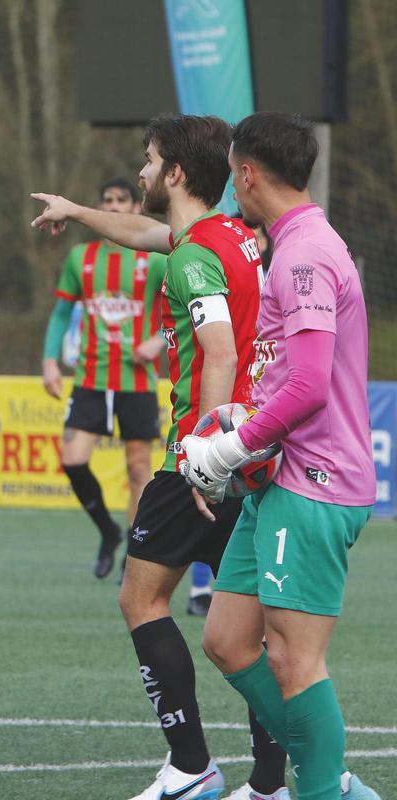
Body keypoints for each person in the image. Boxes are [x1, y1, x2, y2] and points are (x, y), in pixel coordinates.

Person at [31, 113, 289, 800]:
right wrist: (78, 211)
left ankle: (191, 766)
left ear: (174, 173)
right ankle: (269, 785)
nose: (140, 172)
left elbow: (218, 352)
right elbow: (148, 234)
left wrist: (201, 451)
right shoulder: (228, 233)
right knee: (243, 634)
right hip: (252, 453)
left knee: (141, 599)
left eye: (147, 160)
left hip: (201, 460)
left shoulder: (196, 255)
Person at [184, 111, 381, 800]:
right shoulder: (294, 244)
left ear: (246, 173)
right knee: (229, 640)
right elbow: (284, 373)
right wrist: (238, 419)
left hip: (315, 482)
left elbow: (310, 382)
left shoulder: (304, 254)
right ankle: (335, 781)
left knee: (295, 662)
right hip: (282, 478)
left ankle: (325, 786)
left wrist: (235, 445)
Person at [42, 177, 166, 579]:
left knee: (137, 469)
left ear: (135, 208)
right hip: (92, 376)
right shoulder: (81, 257)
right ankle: (107, 531)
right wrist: (49, 361)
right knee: (73, 459)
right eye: (107, 199)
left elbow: (181, 311)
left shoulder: (157, 259)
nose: (113, 206)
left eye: (121, 200)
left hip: (138, 380)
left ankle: (135, 552)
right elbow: (62, 313)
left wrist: (158, 341)